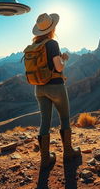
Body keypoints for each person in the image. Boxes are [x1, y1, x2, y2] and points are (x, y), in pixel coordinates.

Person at [31, 13, 81, 170]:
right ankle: (68, 153)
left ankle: (45, 159)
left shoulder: (35, 46)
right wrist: (64, 59)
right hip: (55, 86)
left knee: (44, 122)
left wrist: (58, 58)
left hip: (39, 88)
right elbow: (58, 67)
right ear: (52, 28)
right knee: (64, 118)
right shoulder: (52, 43)